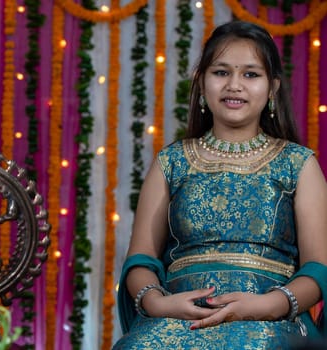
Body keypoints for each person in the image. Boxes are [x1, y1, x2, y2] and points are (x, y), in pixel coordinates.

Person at [114, 21, 327, 349]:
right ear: (201, 83)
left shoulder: (298, 164)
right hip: (179, 318)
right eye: (221, 72)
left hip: (271, 320)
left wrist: (270, 305)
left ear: (272, 89)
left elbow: (318, 267)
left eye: (251, 74)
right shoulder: (171, 162)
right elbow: (140, 259)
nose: (234, 85)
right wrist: (158, 303)